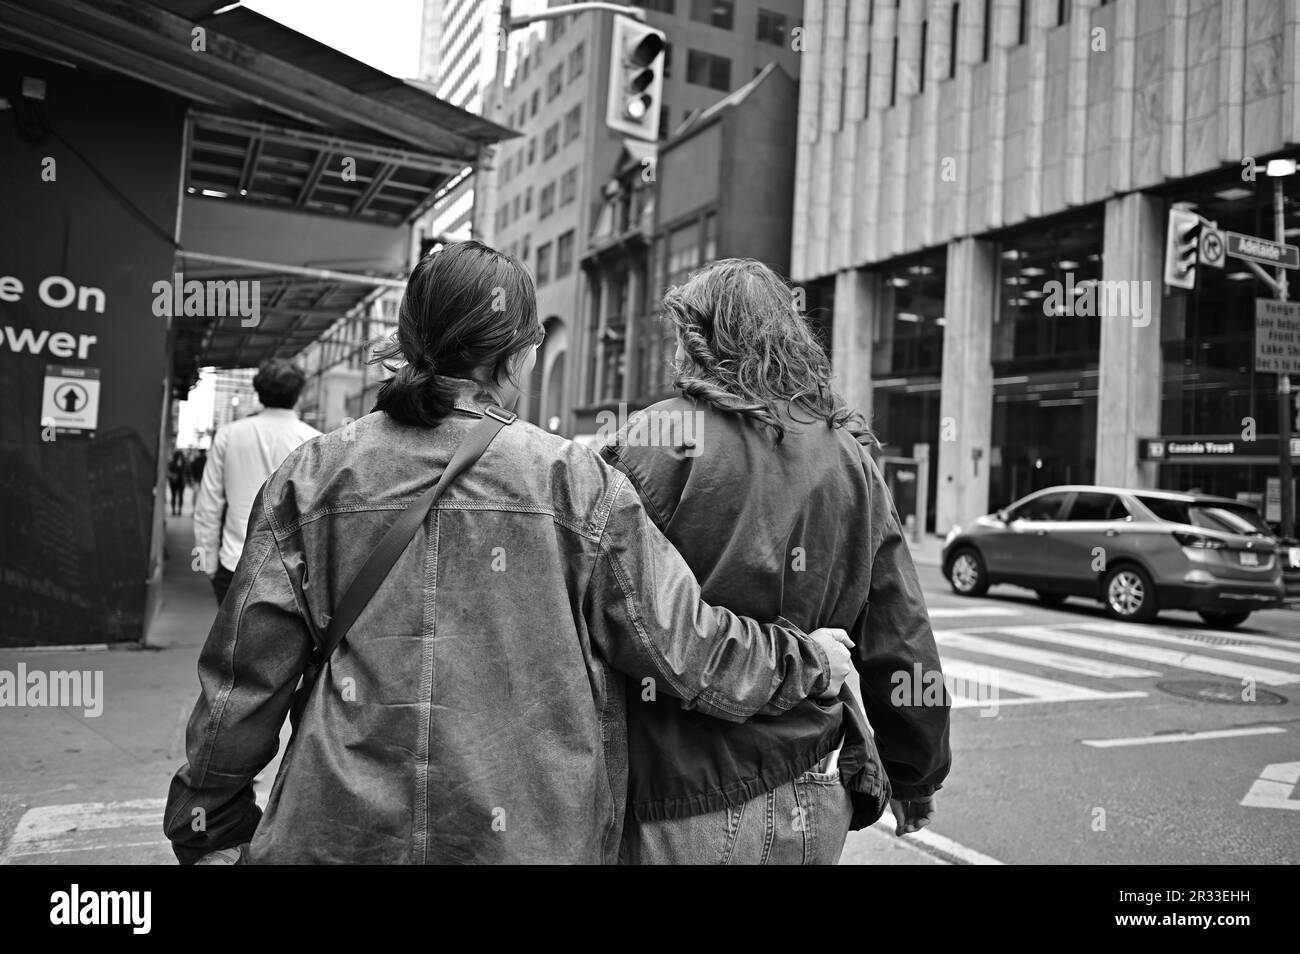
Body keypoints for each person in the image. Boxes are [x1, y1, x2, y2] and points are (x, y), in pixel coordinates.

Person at [164, 241, 853, 865]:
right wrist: (812, 659)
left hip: (337, 830)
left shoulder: (313, 476)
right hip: (532, 838)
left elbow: (243, 681)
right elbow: (688, 649)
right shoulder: (574, 482)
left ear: (407, 341)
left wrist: (209, 819)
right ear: (519, 355)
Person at [601, 258, 952, 865]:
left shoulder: (657, 441)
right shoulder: (850, 457)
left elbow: (600, 615)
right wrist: (914, 773)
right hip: (814, 789)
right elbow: (901, 633)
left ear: (696, 338)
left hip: (681, 795)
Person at [193, 361, 320, 604]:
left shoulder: (228, 435)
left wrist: (207, 562)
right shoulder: (314, 441)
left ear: (259, 393)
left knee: (229, 640)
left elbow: (208, 504)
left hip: (234, 562)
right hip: (292, 572)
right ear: (298, 395)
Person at [166, 449, 188, 517]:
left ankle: (179, 510)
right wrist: (172, 475)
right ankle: (173, 510)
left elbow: (187, 472)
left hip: (181, 482)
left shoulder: (184, 463)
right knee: (174, 496)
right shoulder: (172, 463)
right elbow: (168, 471)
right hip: (174, 482)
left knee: (181, 496)